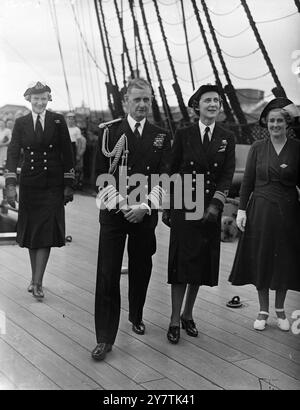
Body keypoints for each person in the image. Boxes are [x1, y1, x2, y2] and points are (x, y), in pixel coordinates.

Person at [91, 78, 171, 361]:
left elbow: (165, 176)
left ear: (151, 101)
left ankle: (136, 315)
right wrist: (126, 205)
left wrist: (145, 207)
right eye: (136, 100)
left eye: (146, 100)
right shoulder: (109, 133)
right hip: (115, 213)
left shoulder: (161, 135)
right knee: (107, 273)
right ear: (125, 102)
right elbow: (100, 177)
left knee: (142, 268)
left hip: (144, 214)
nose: (142, 105)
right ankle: (104, 337)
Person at [162, 84, 235, 344]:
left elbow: (226, 174)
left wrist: (215, 206)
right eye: (207, 100)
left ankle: (188, 314)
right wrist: (168, 206)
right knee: (181, 263)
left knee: (200, 264)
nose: (213, 104)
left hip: (209, 209)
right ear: (197, 106)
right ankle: (173, 319)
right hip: (184, 203)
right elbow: (170, 169)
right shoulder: (183, 134)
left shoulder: (227, 136)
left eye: (216, 100)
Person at [229, 97, 300, 331]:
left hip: (288, 211)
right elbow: (247, 181)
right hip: (259, 210)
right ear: (266, 123)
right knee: (261, 257)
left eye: (280, 120)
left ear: (287, 124)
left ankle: (280, 309)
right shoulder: (258, 148)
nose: (276, 125)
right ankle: (263, 309)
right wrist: (241, 210)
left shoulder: (297, 148)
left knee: (284, 260)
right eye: (272, 121)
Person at [5, 81, 75, 300]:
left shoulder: (58, 120)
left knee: (45, 232)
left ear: (49, 99)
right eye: (36, 98)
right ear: (29, 100)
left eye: (44, 98)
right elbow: (13, 152)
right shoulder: (21, 123)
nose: (40, 102)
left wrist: (68, 184)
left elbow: (67, 153)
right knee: (32, 232)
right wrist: (10, 185)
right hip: (30, 184)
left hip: (52, 185)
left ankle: (38, 282)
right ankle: (34, 278)